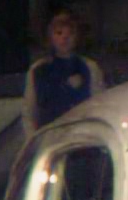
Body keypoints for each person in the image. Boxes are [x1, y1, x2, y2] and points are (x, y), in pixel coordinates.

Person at [23, 8, 106, 137]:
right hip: (49, 137)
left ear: (77, 37)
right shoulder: (37, 71)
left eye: (70, 33)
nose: (65, 38)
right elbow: (29, 111)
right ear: (50, 37)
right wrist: (33, 139)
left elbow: (99, 104)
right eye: (59, 33)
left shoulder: (89, 67)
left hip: (82, 136)